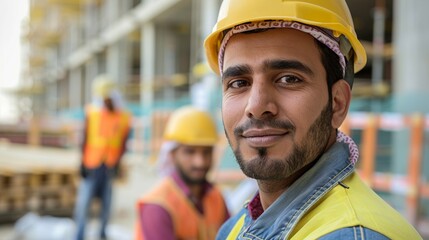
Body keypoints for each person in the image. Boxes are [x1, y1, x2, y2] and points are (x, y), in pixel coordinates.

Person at [203, 0, 422, 239]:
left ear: (337, 103)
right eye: (238, 83)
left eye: (288, 79)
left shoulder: (352, 235)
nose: (255, 106)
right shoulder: (236, 228)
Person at [135, 106, 230, 240]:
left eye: (206, 152)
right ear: (172, 154)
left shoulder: (216, 197)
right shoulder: (157, 205)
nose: (200, 162)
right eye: (190, 152)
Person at [73, 74, 131, 240]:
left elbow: (123, 144)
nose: (103, 102)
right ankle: (79, 235)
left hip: (110, 166)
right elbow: (85, 138)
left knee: (107, 205)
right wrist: (82, 163)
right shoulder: (92, 112)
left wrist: (119, 165)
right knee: (84, 205)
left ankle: (102, 234)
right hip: (92, 164)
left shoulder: (124, 117)